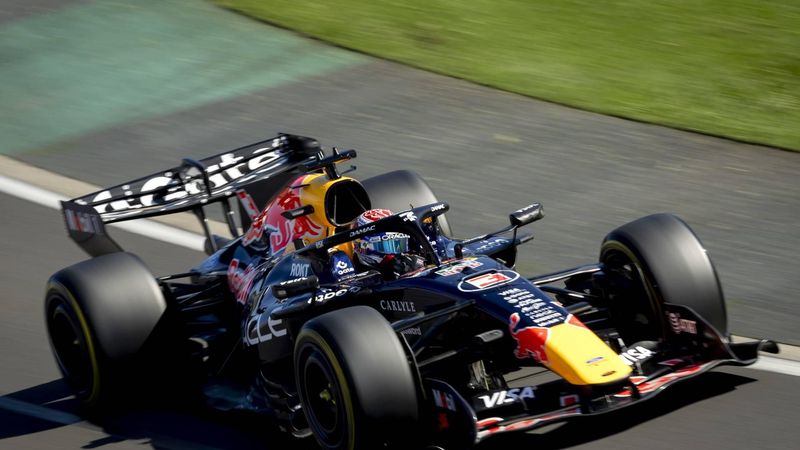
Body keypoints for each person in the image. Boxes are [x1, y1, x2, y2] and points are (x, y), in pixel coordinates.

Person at [352, 209, 425, 279]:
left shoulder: (409, 261)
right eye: (388, 246)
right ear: (363, 247)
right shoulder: (351, 277)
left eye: (400, 243)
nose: (396, 253)